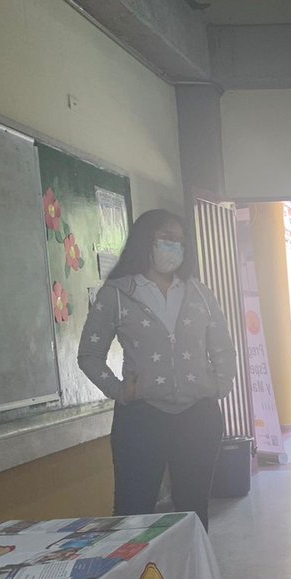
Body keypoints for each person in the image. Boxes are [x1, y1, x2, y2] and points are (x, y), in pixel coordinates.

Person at [78, 209, 237, 529]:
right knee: (132, 511)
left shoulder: (199, 293)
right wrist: (121, 391)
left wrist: (218, 386)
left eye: (180, 241)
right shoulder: (118, 294)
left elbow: (222, 344)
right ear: (145, 241)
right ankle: (132, 576)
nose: (174, 247)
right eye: (166, 239)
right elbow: (90, 354)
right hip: (141, 417)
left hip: (198, 415)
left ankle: (191, 577)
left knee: (193, 511)